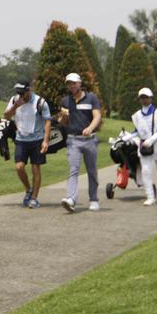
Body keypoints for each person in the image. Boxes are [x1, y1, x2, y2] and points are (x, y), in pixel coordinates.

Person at [55, 72, 103, 213]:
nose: (71, 86)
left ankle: (93, 199)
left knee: (92, 171)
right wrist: (63, 117)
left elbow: (97, 116)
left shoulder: (91, 98)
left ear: (80, 83)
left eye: (74, 83)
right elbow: (63, 123)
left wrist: (90, 128)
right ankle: (71, 199)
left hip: (90, 140)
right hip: (73, 140)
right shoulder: (66, 101)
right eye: (69, 83)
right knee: (73, 170)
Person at [3, 79, 51, 208]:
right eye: (19, 92)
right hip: (21, 140)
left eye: (23, 92)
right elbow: (6, 116)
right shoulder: (15, 100)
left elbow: (47, 121)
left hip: (37, 140)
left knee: (35, 168)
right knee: (19, 167)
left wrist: (46, 140)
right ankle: (28, 189)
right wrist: (15, 106)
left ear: (29, 90)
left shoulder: (40, 102)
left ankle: (34, 198)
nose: (21, 95)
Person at [130, 87, 157, 206]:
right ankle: (150, 197)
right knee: (146, 171)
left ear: (151, 98)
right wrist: (127, 137)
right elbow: (136, 131)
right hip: (145, 147)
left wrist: (151, 140)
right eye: (142, 98)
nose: (144, 100)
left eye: (146, 97)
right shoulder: (137, 115)